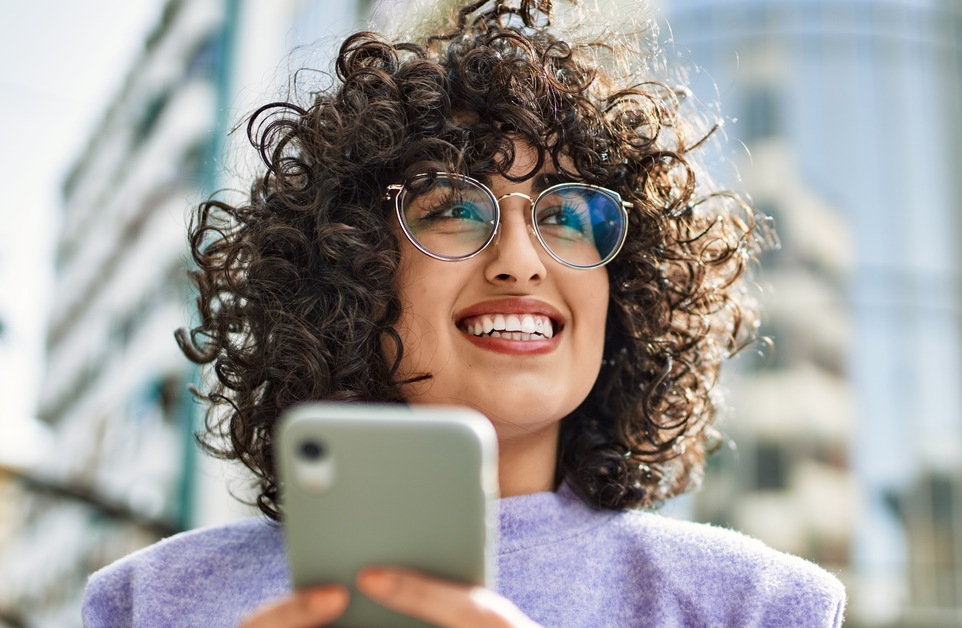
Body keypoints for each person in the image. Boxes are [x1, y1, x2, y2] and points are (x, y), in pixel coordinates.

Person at [82, 0, 846, 625]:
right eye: (453, 207)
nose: (520, 258)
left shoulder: (755, 607)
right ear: (353, 264)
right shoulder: (149, 605)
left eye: (569, 215)